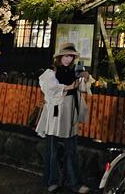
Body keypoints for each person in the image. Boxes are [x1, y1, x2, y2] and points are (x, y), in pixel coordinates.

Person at [36, 42, 93, 194]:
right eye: (66, 56)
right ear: (60, 56)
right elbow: (50, 90)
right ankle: (52, 180)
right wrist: (69, 86)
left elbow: (82, 89)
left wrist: (84, 78)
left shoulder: (74, 71)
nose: (68, 59)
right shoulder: (51, 72)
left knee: (71, 149)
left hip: (70, 112)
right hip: (55, 112)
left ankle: (75, 182)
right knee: (53, 149)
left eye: (71, 56)